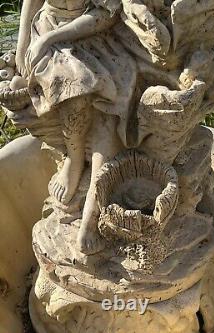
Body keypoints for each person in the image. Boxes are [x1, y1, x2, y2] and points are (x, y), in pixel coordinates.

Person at [16, 0, 172, 254]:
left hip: (92, 35)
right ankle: (75, 159)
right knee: (73, 91)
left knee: (110, 108)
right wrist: (25, 39)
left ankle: (92, 208)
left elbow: (105, 15)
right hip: (49, 31)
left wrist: (52, 38)